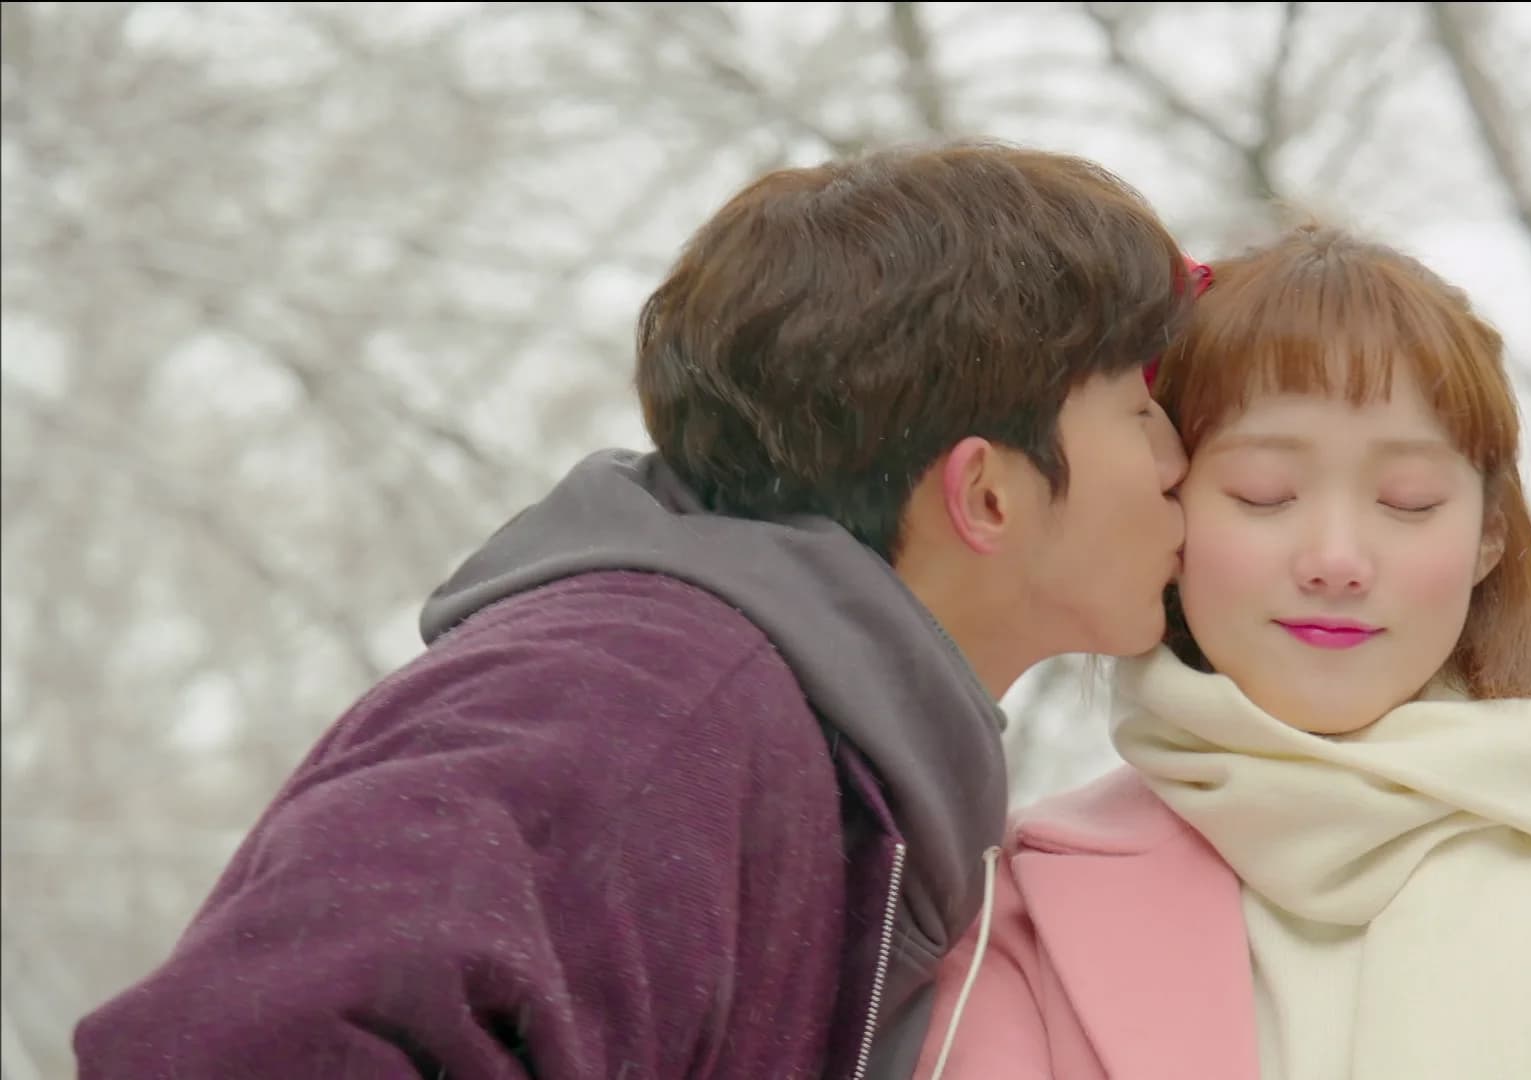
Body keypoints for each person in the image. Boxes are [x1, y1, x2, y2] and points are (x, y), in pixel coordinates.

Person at [73, 140, 1203, 1080]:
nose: (1177, 460)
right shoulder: (634, 702)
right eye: (1139, 409)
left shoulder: (798, 736)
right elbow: (259, 1043)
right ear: (987, 493)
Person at [912, 221, 1531, 1080]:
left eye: (1408, 501)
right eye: (1264, 493)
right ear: (1169, 510)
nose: (1336, 559)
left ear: (1489, 537)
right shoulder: (1014, 909)